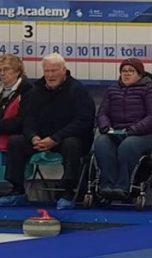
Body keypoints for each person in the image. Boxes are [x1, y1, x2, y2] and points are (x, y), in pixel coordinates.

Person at [0, 54, 94, 209]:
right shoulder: (36, 91)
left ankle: (68, 192)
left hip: (65, 138)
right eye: (47, 71)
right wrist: (32, 137)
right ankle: (17, 191)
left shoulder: (78, 90)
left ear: (64, 70)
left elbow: (83, 122)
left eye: (54, 71)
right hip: (40, 139)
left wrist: (55, 138)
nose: (50, 75)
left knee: (73, 144)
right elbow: (28, 119)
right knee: (16, 141)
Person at [94, 58, 152, 200]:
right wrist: (105, 126)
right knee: (101, 142)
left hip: (144, 134)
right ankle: (107, 185)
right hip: (116, 131)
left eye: (131, 71)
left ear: (139, 74)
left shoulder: (149, 90)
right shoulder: (112, 90)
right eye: (123, 71)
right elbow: (102, 113)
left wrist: (134, 129)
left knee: (128, 145)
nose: (126, 74)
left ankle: (123, 186)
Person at [0, 55, 32, 181]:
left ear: (18, 71)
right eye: (0, 70)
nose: (2, 73)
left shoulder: (27, 91)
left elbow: (23, 121)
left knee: (15, 141)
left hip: (17, 135)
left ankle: (10, 186)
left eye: (6, 69)